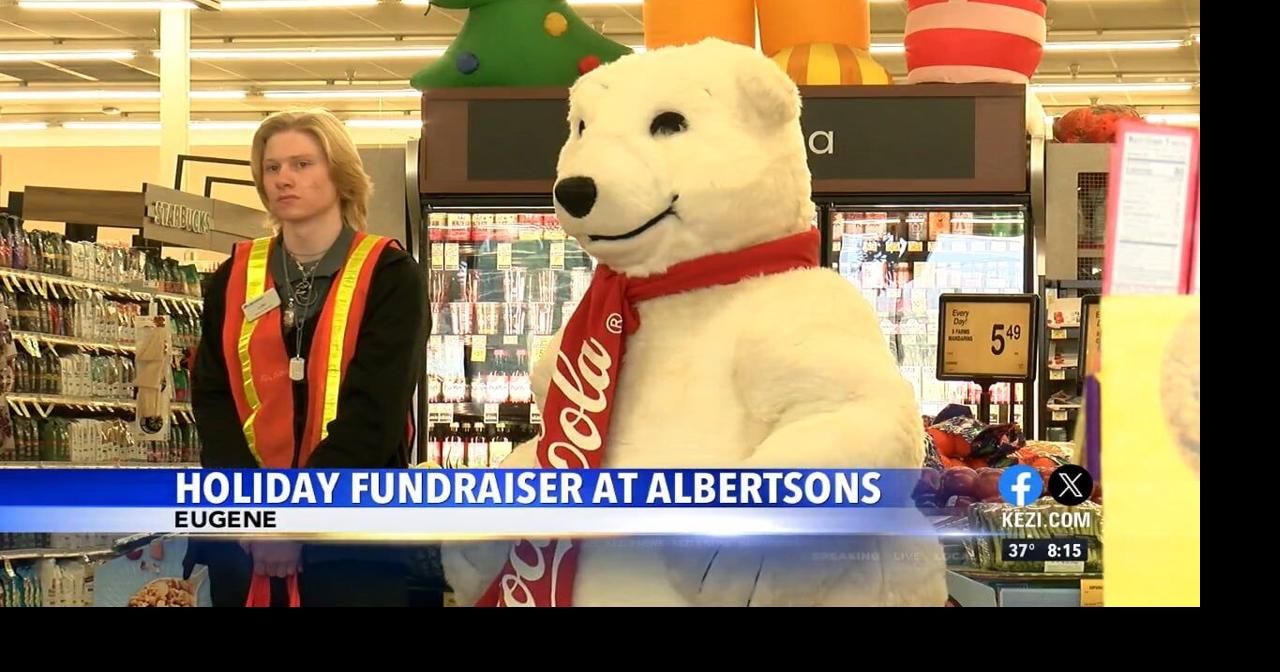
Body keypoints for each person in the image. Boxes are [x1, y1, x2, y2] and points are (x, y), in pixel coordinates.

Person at [185, 109, 427, 607]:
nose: (283, 179)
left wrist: (297, 520)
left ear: (339, 174)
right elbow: (213, 397)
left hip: (350, 536)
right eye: (271, 168)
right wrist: (255, 518)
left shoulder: (390, 273)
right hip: (244, 539)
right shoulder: (235, 273)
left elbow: (375, 412)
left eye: (301, 164)